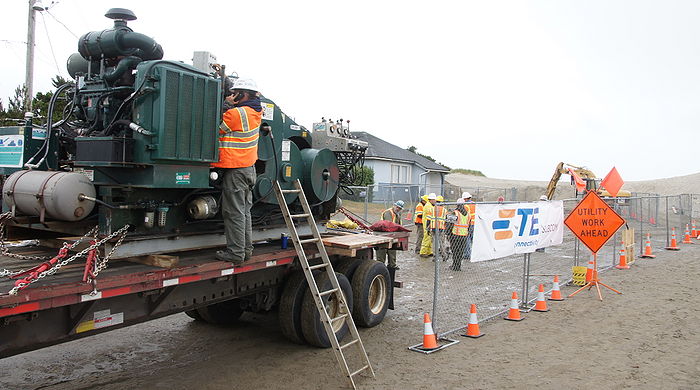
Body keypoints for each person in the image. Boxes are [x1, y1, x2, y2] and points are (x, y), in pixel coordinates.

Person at [214, 78, 262, 265]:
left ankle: (235, 253)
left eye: (235, 93)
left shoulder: (236, 113)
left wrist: (225, 104)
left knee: (233, 213)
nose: (232, 95)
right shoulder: (255, 112)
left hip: (236, 170)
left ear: (243, 94)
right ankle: (246, 251)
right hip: (248, 169)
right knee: (244, 212)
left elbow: (215, 130)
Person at [376, 200, 404, 269]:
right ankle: (381, 266)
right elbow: (389, 225)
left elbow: (398, 225)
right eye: (397, 207)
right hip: (383, 235)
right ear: (394, 206)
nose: (398, 209)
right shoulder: (388, 213)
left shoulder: (397, 214)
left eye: (399, 208)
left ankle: (392, 265)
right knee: (382, 252)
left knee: (392, 251)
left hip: (392, 235)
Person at [449, 199, 471, 270]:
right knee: (460, 251)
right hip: (464, 235)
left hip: (455, 235)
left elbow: (450, 224)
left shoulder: (455, 213)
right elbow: (469, 225)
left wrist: (448, 234)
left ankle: (455, 266)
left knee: (455, 250)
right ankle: (458, 266)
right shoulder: (468, 214)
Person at [419, 193, 437, 258]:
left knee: (430, 238)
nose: (435, 201)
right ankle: (423, 252)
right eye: (434, 200)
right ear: (430, 200)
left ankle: (429, 251)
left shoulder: (431, 205)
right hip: (427, 224)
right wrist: (428, 226)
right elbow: (430, 217)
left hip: (430, 224)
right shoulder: (428, 206)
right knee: (426, 238)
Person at [461, 191, 476, 260]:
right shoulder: (474, 204)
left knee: (467, 239)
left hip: (469, 224)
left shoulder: (466, 206)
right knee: (473, 239)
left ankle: (467, 254)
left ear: (465, 198)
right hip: (475, 224)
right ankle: (473, 253)